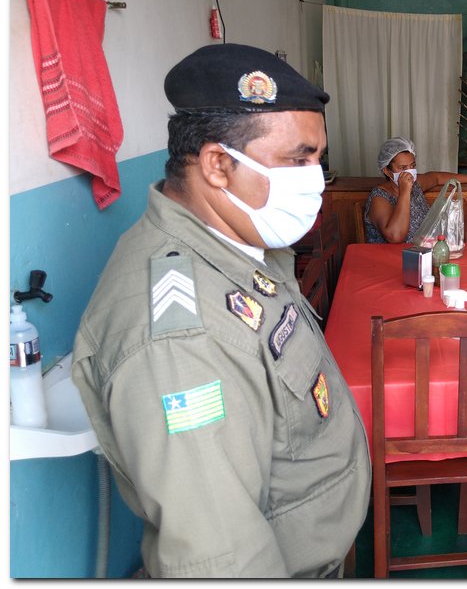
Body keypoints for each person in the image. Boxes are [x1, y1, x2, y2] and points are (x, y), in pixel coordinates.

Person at [71, 43, 371, 578]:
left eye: (317, 158)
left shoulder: (241, 248)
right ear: (216, 165)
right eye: (298, 159)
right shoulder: (182, 340)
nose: (315, 178)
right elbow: (221, 556)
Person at [363, 137, 467, 243]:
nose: (409, 172)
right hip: (393, 261)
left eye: (412, 165)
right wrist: (405, 192)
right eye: (402, 168)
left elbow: (436, 177)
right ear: (387, 171)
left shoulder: (416, 183)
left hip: (423, 252)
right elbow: (395, 237)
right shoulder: (379, 198)